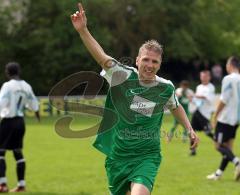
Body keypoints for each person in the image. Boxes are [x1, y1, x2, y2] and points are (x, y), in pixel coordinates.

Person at [71, 3, 199, 195]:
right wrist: (83, 30)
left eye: (154, 61)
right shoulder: (122, 75)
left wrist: (189, 129)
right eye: (146, 59)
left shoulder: (166, 87)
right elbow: (101, 57)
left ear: (160, 64)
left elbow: (175, 106)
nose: (149, 64)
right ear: (137, 60)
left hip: (147, 156)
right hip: (117, 157)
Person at [0, 62, 40, 193]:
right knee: (17, 152)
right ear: (18, 71)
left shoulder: (7, 86)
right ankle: (21, 185)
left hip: (8, 121)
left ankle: (3, 185)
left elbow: (2, 103)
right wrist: (37, 116)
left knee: (1, 152)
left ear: (8, 72)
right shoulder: (26, 86)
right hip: (20, 123)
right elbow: (34, 104)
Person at [207, 56, 240, 181]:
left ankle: (237, 162)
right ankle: (218, 174)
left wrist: (215, 115)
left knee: (218, 146)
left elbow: (224, 99)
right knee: (228, 149)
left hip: (225, 118)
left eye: (226, 64)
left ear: (230, 65)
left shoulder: (228, 78)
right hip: (236, 120)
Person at [190, 70, 215, 155]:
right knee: (192, 130)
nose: (203, 78)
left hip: (205, 114)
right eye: (202, 76)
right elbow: (197, 101)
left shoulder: (211, 87)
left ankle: (218, 142)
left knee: (207, 132)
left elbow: (205, 97)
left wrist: (194, 95)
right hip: (197, 112)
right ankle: (193, 150)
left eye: (205, 76)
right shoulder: (199, 87)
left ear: (209, 77)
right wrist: (192, 100)